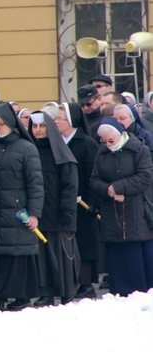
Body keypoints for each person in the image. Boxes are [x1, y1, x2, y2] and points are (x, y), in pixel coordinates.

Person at [0, 101, 44, 312]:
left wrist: (34, 213)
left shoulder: (27, 148)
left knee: (17, 256)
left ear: (11, 123)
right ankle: (2, 296)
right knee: (2, 255)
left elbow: (36, 184)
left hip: (18, 212)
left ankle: (12, 297)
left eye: (0, 124)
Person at [91, 117, 153, 296]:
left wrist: (119, 187)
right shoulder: (102, 153)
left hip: (136, 211)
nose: (109, 144)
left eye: (112, 140)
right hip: (112, 212)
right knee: (117, 256)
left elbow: (145, 177)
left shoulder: (139, 150)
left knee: (137, 255)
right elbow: (94, 180)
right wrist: (109, 189)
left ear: (121, 135)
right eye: (105, 141)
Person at [28, 111, 80, 307]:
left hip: (59, 211)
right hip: (39, 210)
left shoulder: (61, 152)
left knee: (62, 253)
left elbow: (69, 185)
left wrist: (67, 211)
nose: (38, 130)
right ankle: (46, 292)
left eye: (42, 126)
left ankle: (67, 291)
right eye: (35, 126)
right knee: (42, 255)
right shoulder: (30, 150)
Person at [55, 103, 102, 298]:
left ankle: (85, 283)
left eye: (60, 118)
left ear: (72, 121)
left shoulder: (87, 143)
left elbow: (93, 174)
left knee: (84, 242)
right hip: (64, 200)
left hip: (83, 202)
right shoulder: (57, 142)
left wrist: (92, 202)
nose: (56, 121)